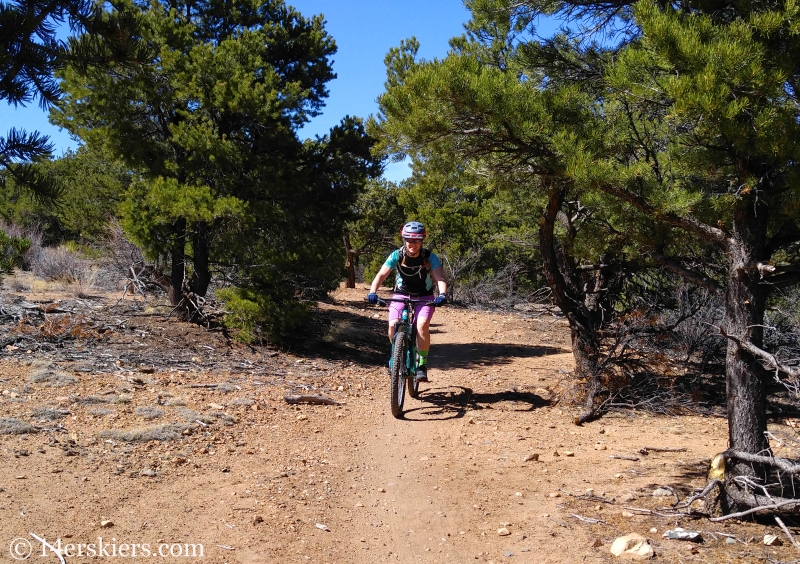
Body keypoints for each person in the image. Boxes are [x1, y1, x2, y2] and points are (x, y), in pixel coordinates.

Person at [367, 221, 447, 382]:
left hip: (424, 296)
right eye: (409, 240)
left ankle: (421, 364)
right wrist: (372, 292)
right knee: (392, 325)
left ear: (421, 241)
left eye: (417, 240)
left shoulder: (429, 256)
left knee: (421, 325)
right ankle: (395, 356)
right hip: (401, 295)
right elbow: (381, 274)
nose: (413, 244)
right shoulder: (397, 255)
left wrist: (442, 294)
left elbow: (440, 277)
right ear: (404, 240)